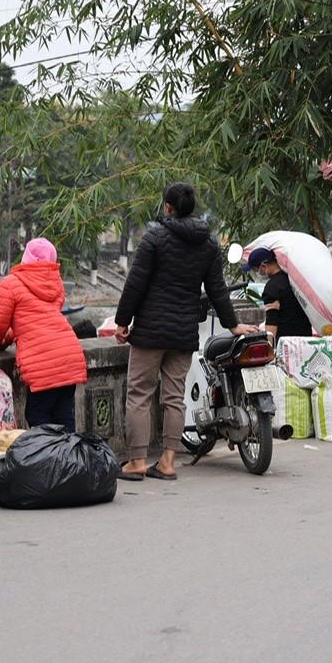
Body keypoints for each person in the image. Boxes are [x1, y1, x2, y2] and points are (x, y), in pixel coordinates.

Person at [114, 182, 258, 481]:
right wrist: (233, 325)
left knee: (139, 394)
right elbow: (217, 289)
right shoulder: (208, 244)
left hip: (150, 331)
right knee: (174, 398)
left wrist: (122, 321)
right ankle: (167, 462)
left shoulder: (154, 237)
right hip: (183, 332)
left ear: (168, 207)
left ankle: (138, 461)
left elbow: (135, 284)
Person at [0, 238, 87, 431]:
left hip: (44, 363)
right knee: (64, 418)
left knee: (38, 417)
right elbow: (34, 320)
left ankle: (47, 461)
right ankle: (69, 460)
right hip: (69, 355)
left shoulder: (10, 284)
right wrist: (9, 338)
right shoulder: (55, 283)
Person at [247, 247, 312, 343]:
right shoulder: (293, 279)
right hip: (306, 338)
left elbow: (272, 321)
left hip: (286, 343)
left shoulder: (272, 287)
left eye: (256, 270)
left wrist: (270, 345)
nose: (257, 273)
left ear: (263, 266)